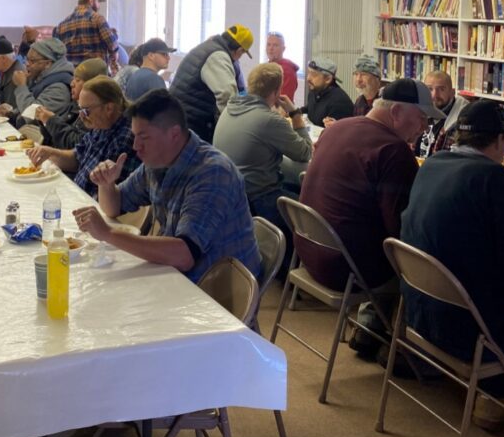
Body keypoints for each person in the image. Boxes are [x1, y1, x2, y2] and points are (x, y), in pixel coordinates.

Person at [400, 100, 504, 430]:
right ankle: (502, 395)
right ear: (499, 141)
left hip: (421, 316)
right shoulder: (496, 179)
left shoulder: (433, 165)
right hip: (477, 332)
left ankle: (500, 391)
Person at [297, 78, 442, 356]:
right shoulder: (394, 151)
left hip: (310, 251)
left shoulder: (337, 128)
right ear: (397, 112)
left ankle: (369, 329)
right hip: (346, 269)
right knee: (425, 260)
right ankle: (415, 353)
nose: (424, 128)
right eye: (421, 118)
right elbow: (400, 232)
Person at [73, 90, 261, 283]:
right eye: (135, 136)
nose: (136, 146)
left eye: (144, 137)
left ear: (174, 134)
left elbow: (184, 255)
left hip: (215, 293)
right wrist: (107, 184)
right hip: (176, 274)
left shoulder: (213, 173)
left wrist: (108, 233)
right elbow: (114, 207)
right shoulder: (157, 161)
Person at [213, 62, 312, 275]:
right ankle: (295, 271)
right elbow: (305, 153)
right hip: (259, 194)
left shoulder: (230, 108)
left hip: (232, 192)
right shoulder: (268, 120)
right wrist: (295, 115)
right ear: (277, 92)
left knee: (291, 185)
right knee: (311, 206)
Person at [27, 76, 138, 197]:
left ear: (109, 108)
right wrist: (50, 153)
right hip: (78, 195)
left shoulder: (125, 137)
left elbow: (106, 195)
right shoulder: (101, 124)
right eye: (80, 109)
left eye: (86, 111)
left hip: (91, 204)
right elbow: (77, 157)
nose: (81, 116)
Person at [169, 24, 254, 142]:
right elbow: (228, 97)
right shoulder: (218, 57)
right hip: (191, 124)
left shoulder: (208, 47)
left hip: (179, 116)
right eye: (242, 54)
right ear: (239, 50)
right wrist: (235, 132)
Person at [36, 57, 107, 149]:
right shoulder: (74, 106)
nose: (71, 84)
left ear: (92, 84)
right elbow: (54, 139)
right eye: (73, 79)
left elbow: (75, 146)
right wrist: (45, 122)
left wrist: (51, 121)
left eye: (78, 80)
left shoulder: (93, 113)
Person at [2, 37, 74, 123]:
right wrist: (10, 113)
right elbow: (34, 102)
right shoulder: (42, 77)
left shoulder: (59, 87)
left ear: (48, 63)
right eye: (27, 59)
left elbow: (31, 115)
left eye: (32, 61)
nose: (27, 64)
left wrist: (21, 86)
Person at [53, 0, 119, 71]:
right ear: (91, 1)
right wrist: (115, 52)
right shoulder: (97, 19)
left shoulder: (62, 24)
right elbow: (112, 44)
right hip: (95, 72)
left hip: (73, 75)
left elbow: (57, 51)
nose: (99, 5)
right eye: (98, 1)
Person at [415, 69, 469, 158]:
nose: (434, 95)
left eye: (441, 89)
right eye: (429, 89)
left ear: (452, 93)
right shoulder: (418, 111)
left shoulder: (460, 120)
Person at [303, 58, 355, 127]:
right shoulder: (315, 91)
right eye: (308, 73)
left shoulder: (339, 102)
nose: (308, 78)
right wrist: (291, 112)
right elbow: (309, 108)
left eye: (314, 75)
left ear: (328, 79)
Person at [265, 31, 300, 103]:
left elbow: (284, 101)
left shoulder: (287, 70)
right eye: (268, 45)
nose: (271, 48)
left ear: (283, 49)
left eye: (275, 45)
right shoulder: (267, 67)